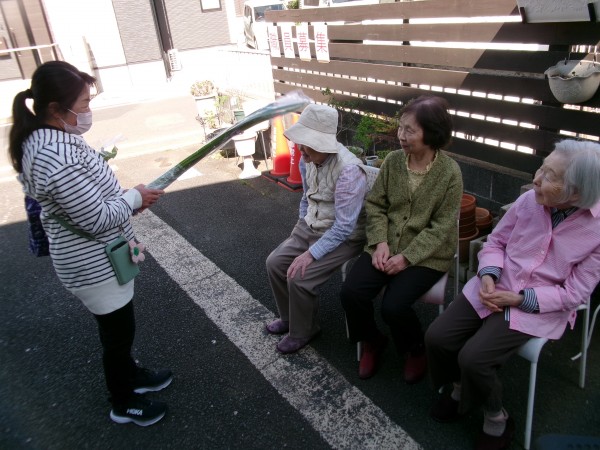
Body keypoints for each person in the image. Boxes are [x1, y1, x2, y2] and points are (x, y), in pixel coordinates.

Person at [8, 61, 172, 427]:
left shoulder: (51, 138)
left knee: (119, 329)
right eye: (83, 104)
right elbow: (96, 218)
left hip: (99, 257)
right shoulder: (55, 157)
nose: (87, 111)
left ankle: (132, 377)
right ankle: (123, 401)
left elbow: (89, 202)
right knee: (117, 334)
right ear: (56, 109)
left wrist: (128, 200)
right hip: (93, 265)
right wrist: (132, 198)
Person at [425, 139, 600, 450]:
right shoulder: (529, 200)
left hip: (536, 304)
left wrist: (521, 299)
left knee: (474, 359)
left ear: (576, 193)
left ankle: (496, 417)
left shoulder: (596, 230)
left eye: (550, 176)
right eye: (542, 168)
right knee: (437, 337)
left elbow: (575, 292)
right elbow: (496, 242)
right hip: (496, 283)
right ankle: (459, 387)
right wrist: (488, 275)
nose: (537, 179)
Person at [340, 95, 463, 383]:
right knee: (351, 293)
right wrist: (380, 242)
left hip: (427, 255)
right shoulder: (394, 161)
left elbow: (443, 226)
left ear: (431, 134)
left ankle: (415, 348)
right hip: (386, 245)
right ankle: (373, 340)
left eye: (410, 130)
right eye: (400, 127)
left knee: (393, 306)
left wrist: (407, 257)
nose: (401, 136)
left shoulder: (450, 173)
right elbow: (376, 205)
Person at [265, 103, 369, 354]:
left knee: (299, 276)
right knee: (275, 263)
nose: (301, 149)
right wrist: (300, 226)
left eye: (307, 143)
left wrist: (310, 253)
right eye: (301, 142)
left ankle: (304, 330)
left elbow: (344, 226)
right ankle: (290, 318)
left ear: (323, 144)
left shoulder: (350, 170)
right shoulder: (308, 159)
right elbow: (306, 197)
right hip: (311, 225)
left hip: (345, 236)